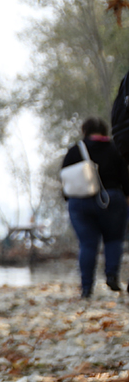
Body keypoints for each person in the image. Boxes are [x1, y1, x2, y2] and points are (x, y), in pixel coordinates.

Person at [61, 117, 129, 298]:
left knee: (87, 244)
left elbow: (65, 179)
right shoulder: (115, 149)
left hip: (80, 203)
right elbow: (125, 177)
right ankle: (112, 275)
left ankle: (86, 288)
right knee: (114, 240)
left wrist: (68, 198)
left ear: (85, 131)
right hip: (111, 199)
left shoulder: (75, 151)